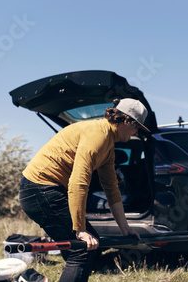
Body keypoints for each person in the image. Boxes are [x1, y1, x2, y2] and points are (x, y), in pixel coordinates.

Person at [16, 98, 149, 282]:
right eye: (137, 127)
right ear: (127, 121)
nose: (137, 132)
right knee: (82, 248)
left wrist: (124, 228)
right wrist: (80, 229)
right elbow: (78, 182)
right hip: (39, 189)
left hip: (43, 190)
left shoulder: (108, 144)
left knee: (81, 249)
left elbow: (112, 190)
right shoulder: (98, 136)